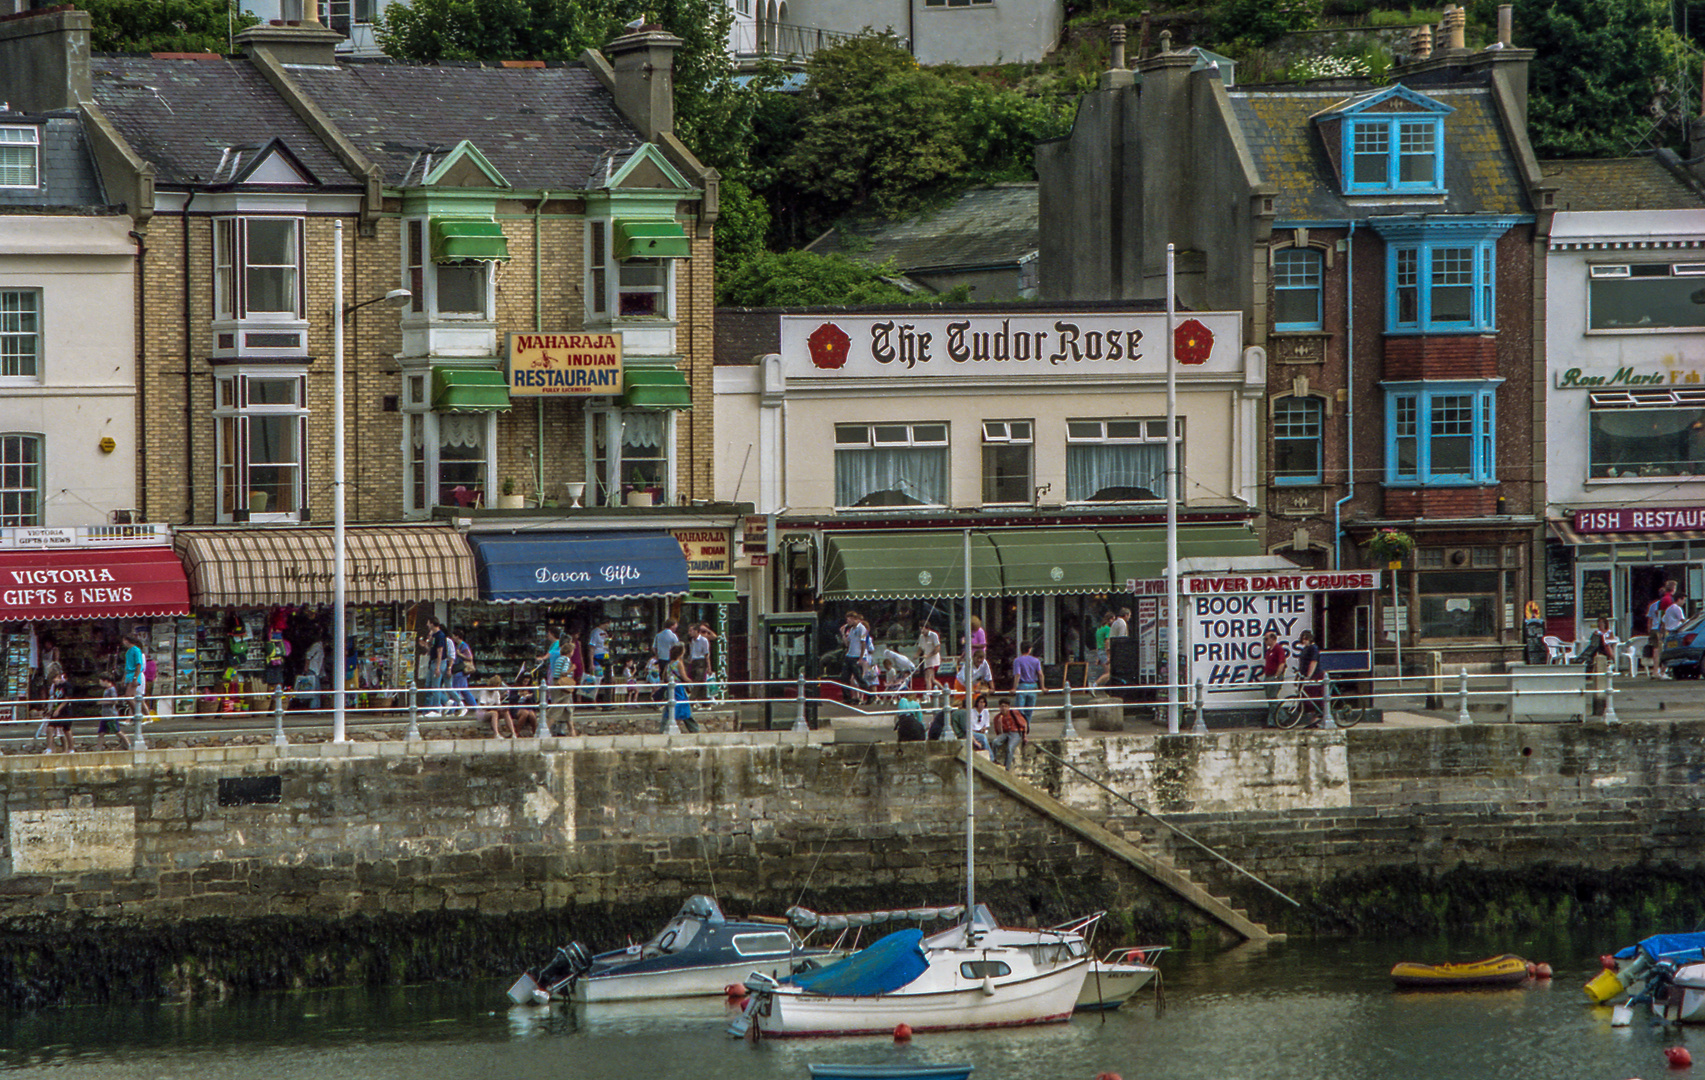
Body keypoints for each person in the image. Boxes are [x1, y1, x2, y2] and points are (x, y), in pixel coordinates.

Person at [664, 643, 699, 733]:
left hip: (671, 688)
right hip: (678, 688)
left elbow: (664, 676)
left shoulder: (669, 664)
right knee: (683, 708)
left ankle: (665, 728)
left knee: (671, 708)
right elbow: (684, 676)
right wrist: (691, 682)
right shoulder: (679, 663)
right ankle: (693, 729)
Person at [840, 611, 869, 705]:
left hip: (856, 656)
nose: (847, 622)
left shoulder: (861, 628)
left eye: (849, 619)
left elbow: (863, 643)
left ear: (854, 619)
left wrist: (861, 658)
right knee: (844, 677)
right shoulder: (851, 629)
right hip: (849, 655)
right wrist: (843, 634)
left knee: (859, 678)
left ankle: (870, 695)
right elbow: (847, 643)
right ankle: (847, 697)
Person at [421, 616, 449, 713]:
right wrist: (425, 645)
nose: (427, 625)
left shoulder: (440, 635)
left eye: (428, 623)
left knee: (436, 686)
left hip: (438, 662)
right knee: (428, 685)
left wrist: (438, 667)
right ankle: (427, 710)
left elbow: (440, 651)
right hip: (432, 662)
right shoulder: (434, 636)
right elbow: (432, 650)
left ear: (432, 623)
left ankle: (437, 709)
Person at [1293, 630, 1322, 724]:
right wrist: (1299, 675)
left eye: (1306, 638)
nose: (1304, 640)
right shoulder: (1306, 649)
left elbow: (1313, 662)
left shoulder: (1313, 648)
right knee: (1307, 697)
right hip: (1304, 675)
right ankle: (1313, 717)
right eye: (1303, 638)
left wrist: (1309, 676)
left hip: (1313, 675)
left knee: (1313, 696)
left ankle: (1317, 717)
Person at [1011, 641, 1043, 725]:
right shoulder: (1036, 660)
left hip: (1022, 685)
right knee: (1029, 710)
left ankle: (1020, 727)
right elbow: (1040, 674)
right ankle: (1026, 726)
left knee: (1019, 710)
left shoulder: (1017, 660)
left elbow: (1017, 674)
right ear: (1029, 649)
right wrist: (1042, 687)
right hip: (1033, 685)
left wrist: (1014, 688)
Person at [1262, 631, 1288, 728]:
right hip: (1268, 676)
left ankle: (1282, 716)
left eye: (1266, 639)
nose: (1265, 641)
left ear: (1273, 639)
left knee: (1272, 698)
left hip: (1274, 676)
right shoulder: (1269, 651)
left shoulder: (1278, 649)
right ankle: (1271, 721)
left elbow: (1281, 663)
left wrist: (1277, 676)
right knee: (1270, 699)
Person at [97, 672, 130, 751]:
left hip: (111, 714)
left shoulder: (112, 689)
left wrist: (103, 702)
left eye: (101, 680)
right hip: (105, 715)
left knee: (117, 731)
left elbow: (115, 701)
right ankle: (98, 749)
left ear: (106, 680)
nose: (100, 682)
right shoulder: (107, 689)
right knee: (101, 733)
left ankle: (129, 744)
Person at [991, 697, 1026, 768]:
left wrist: (1024, 736)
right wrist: (999, 724)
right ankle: (993, 759)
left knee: (1010, 747)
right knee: (995, 742)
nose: (1004, 708)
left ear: (1008, 707)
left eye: (1006, 706)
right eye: (1002, 706)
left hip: (1015, 732)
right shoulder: (997, 717)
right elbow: (999, 733)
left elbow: (1023, 724)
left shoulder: (1014, 713)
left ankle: (1007, 767)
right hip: (1005, 733)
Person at [1660, 596, 1688, 679]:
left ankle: (1663, 671)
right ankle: (1664, 671)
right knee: (1677, 652)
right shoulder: (1677, 608)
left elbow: (1663, 621)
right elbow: (1683, 620)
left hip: (1668, 632)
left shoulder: (1668, 609)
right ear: (1679, 599)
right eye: (1684, 600)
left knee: (1668, 652)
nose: (1684, 602)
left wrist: (1662, 633)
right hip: (1676, 632)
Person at [45, 666, 72, 753]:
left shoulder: (67, 685)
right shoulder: (57, 686)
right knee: (50, 727)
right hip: (56, 709)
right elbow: (56, 698)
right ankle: (49, 748)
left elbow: (66, 699)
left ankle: (71, 748)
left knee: (66, 729)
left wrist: (58, 709)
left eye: (55, 679)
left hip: (65, 710)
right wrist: (51, 710)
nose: (54, 682)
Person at [688, 622, 717, 697]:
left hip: (701, 661)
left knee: (698, 682)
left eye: (691, 631)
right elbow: (692, 652)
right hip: (694, 661)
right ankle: (705, 703)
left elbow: (706, 654)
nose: (690, 633)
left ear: (696, 631)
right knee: (701, 682)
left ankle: (691, 701)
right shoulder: (692, 641)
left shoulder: (704, 640)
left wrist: (709, 667)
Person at [915, 622, 942, 695]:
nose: (921, 631)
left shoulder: (934, 635)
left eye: (923, 629)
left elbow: (937, 648)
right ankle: (943, 690)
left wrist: (928, 655)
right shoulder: (921, 637)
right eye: (920, 629)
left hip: (934, 660)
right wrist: (916, 655)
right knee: (932, 679)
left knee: (927, 678)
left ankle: (928, 696)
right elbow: (920, 647)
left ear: (927, 628)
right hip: (927, 660)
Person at [1092, 612, 1115, 693]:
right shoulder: (1107, 629)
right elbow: (1107, 642)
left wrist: (1098, 657)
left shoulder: (1099, 628)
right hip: (1104, 652)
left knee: (1107, 673)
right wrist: (1108, 655)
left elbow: (1098, 643)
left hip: (1099, 651)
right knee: (1109, 673)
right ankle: (1095, 685)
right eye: (1113, 619)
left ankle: (1107, 690)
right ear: (1110, 619)